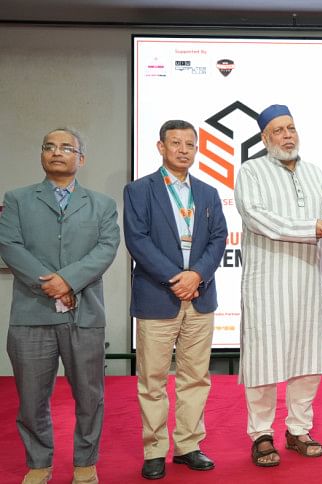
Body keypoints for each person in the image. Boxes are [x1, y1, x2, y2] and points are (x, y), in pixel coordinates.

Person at [0, 128, 120, 484]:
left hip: (85, 314)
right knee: (31, 398)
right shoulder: (17, 200)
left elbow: (106, 249)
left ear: (81, 159)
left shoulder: (102, 205)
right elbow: (9, 245)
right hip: (31, 315)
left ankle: (85, 462)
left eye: (66, 147)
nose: (56, 152)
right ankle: (39, 463)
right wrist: (50, 285)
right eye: (49, 146)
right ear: (41, 155)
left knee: (90, 395)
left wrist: (67, 281)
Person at [123, 120, 228, 479]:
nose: (184, 150)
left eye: (190, 144)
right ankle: (154, 450)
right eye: (176, 143)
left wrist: (197, 275)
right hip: (157, 295)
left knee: (195, 377)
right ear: (161, 147)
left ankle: (188, 445)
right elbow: (137, 240)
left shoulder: (208, 192)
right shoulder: (139, 190)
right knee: (152, 379)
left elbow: (218, 238)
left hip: (200, 295)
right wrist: (176, 278)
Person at [234, 104, 322, 466]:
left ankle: (298, 429)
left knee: (308, 356)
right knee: (263, 358)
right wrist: (313, 229)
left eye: (291, 128)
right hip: (267, 282)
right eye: (278, 130)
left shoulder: (316, 173)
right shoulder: (251, 171)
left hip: (308, 279)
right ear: (265, 138)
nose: (287, 135)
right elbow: (257, 217)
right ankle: (261, 433)